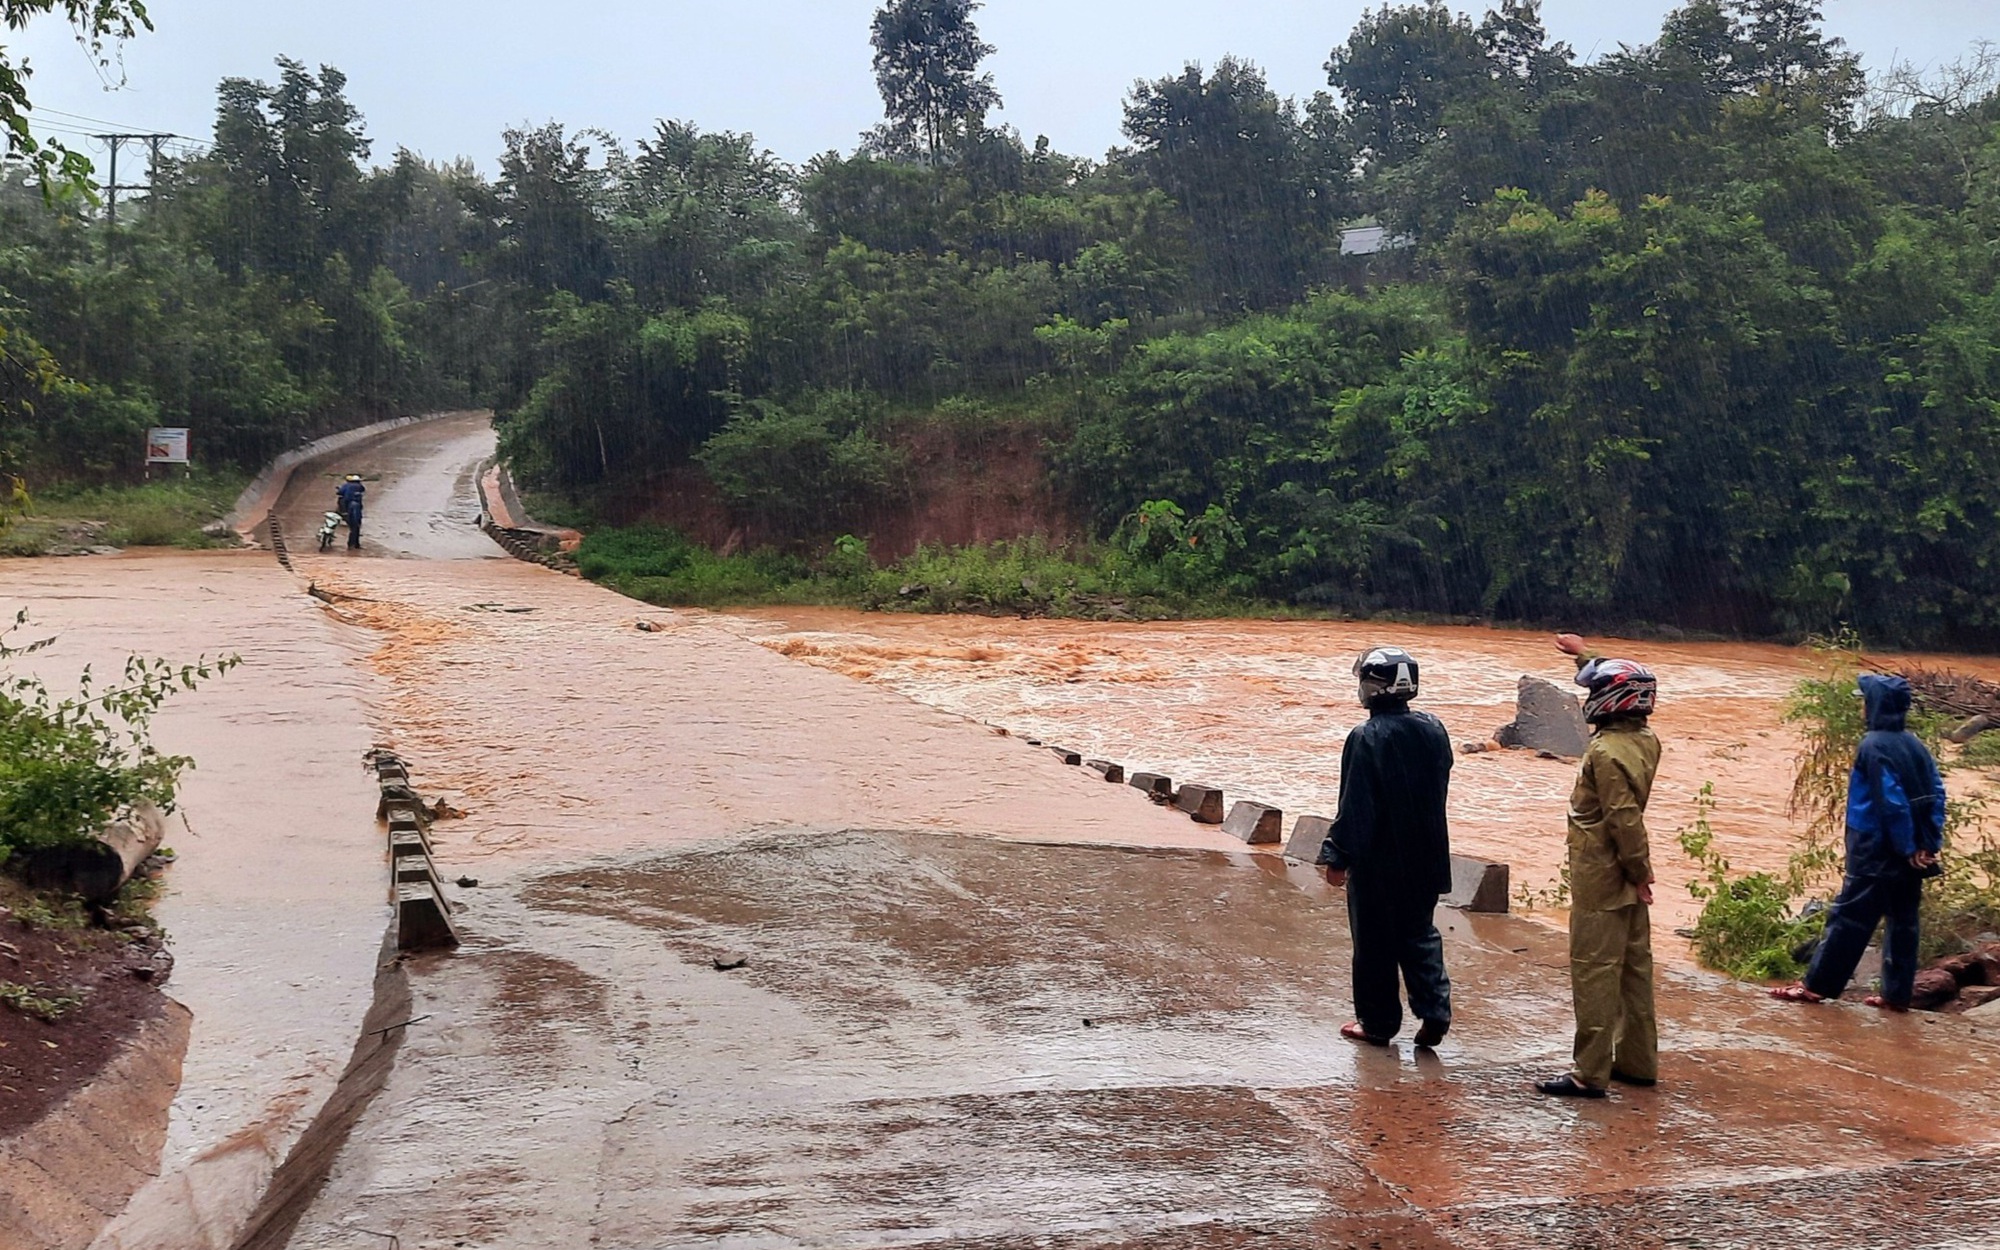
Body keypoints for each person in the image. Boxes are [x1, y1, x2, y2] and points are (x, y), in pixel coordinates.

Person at [1770, 674, 1945, 1012]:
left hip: (1875, 850)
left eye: (1865, 701)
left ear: (1875, 705)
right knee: (1904, 922)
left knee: (1849, 917)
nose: (1862, 707)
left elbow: (1890, 802)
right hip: (1912, 853)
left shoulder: (1872, 746)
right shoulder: (1915, 745)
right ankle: (1896, 995)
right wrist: (1926, 843)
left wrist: (1907, 846)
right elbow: (1936, 793)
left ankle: (1816, 986)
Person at [1538, 636, 1661, 1099]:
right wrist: (1585, 653)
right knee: (1634, 969)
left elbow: (1622, 819)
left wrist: (1639, 871)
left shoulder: (1606, 753)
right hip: (1623, 874)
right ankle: (1637, 1061)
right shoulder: (1644, 740)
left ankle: (1589, 1073)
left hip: (1602, 874)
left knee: (1594, 970)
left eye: (1594, 693)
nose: (1590, 700)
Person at [1316, 645, 1455, 1049]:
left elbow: (1357, 804)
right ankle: (1434, 1011)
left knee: (1375, 943)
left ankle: (1377, 1024)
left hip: (1379, 861)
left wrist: (1337, 855)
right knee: (1419, 934)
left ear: (1371, 687)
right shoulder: (1434, 729)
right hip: (1427, 856)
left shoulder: (1366, 737)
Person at [336, 473, 365, 549]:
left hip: (349, 507)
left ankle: (351, 543)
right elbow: (363, 490)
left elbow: (340, 492)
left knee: (352, 526)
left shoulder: (346, 485)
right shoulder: (360, 487)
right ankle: (355, 544)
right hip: (357, 507)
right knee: (357, 525)